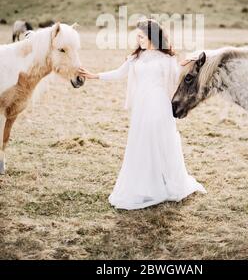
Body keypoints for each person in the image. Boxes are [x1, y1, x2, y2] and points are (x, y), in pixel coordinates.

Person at [79, 18, 206, 210]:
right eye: (137, 36)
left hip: (158, 105)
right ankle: (145, 184)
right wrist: (95, 76)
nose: (138, 40)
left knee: (158, 142)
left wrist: (187, 63)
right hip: (141, 106)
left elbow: (177, 75)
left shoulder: (167, 59)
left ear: (153, 37)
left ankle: (164, 182)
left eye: (142, 36)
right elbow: (119, 73)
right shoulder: (136, 58)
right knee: (142, 144)